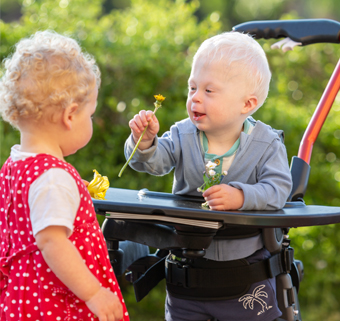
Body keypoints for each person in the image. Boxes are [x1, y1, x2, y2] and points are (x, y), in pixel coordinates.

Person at [124, 31, 292, 321]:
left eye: (209, 91)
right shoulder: (182, 134)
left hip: (244, 272)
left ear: (247, 104)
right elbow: (155, 163)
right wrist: (146, 142)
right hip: (187, 270)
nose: (195, 98)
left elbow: (278, 189)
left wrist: (241, 196)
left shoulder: (266, 144)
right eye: (192, 88)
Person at [0, 30, 128, 321]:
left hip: (20, 297)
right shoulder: (53, 178)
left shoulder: (15, 166)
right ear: (70, 115)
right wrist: (93, 293)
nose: (91, 121)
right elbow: (52, 241)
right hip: (55, 305)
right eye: (90, 114)